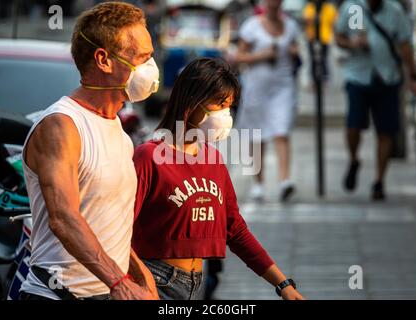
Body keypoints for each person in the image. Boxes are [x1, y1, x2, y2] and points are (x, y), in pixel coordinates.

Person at [132, 58, 304, 300]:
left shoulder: (212, 159)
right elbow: (118, 230)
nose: (225, 115)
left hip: (196, 286)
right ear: (192, 102)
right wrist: (139, 277)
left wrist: (283, 285)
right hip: (154, 282)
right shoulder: (148, 157)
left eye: (230, 107)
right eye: (219, 104)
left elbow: (234, 229)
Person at [19, 2, 159, 300]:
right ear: (103, 60)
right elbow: (64, 218)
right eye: (143, 57)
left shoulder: (117, 129)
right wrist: (119, 281)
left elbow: (104, 221)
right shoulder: (62, 126)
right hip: (58, 294)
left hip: (107, 291)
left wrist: (137, 271)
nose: (151, 67)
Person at [335, 0, 416, 200]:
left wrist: (413, 76)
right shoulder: (354, 8)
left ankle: (379, 181)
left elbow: (405, 44)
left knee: (386, 131)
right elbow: (339, 36)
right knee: (353, 126)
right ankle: (354, 159)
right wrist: (352, 43)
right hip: (358, 76)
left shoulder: (394, 11)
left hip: (387, 76)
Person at [232, 0, 301, 203]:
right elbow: (239, 56)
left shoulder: (290, 26)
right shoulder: (252, 26)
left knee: (282, 131)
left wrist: (294, 53)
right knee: (257, 136)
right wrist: (262, 55)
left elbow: (296, 50)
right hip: (257, 88)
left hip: (283, 86)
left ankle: (284, 180)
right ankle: (258, 183)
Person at [303, 0, 338, 82]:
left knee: (323, 58)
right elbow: (306, 19)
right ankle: (313, 78)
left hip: (324, 38)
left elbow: (335, 21)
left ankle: (324, 77)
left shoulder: (329, 8)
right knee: (312, 59)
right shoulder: (310, 7)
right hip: (312, 37)